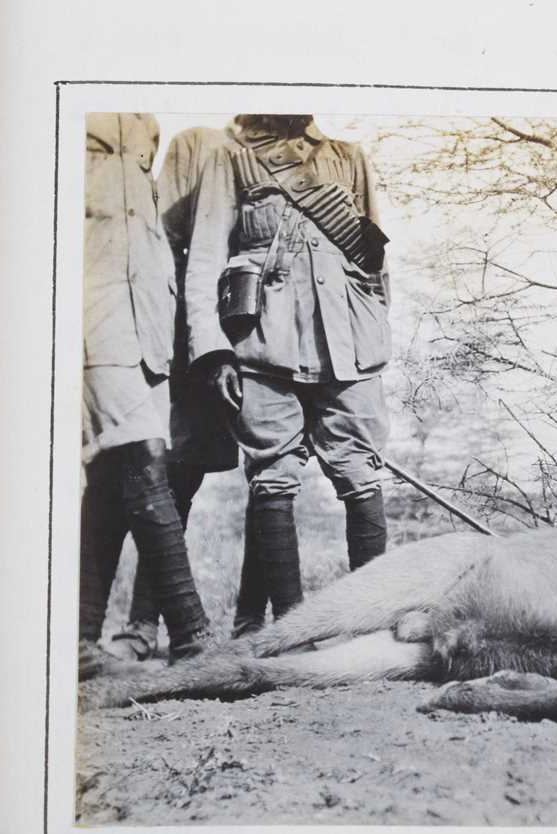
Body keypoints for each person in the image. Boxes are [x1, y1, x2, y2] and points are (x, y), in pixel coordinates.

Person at [182, 114, 393, 622]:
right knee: (273, 476)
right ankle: (291, 631)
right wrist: (213, 351)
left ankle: (373, 624)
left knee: (361, 472)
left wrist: (377, 333)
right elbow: (206, 259)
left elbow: (375, 263)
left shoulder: (347, 158)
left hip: (348, 348)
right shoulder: (229, 158)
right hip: (262, 345)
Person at [104, 125, 269, 660]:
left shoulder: (285, 156)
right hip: (187, 335)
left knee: (269, 478)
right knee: (174, 474)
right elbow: (168, 229)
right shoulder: (200, 143)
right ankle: (143, 626)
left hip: (258, 341)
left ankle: (254, 626)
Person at [80, 113, 212, 669]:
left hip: (149, 319)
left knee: (115, 473)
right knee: (142, 454)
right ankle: (192, 635)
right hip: (94, 304)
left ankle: (78, 638)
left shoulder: (146, 125)